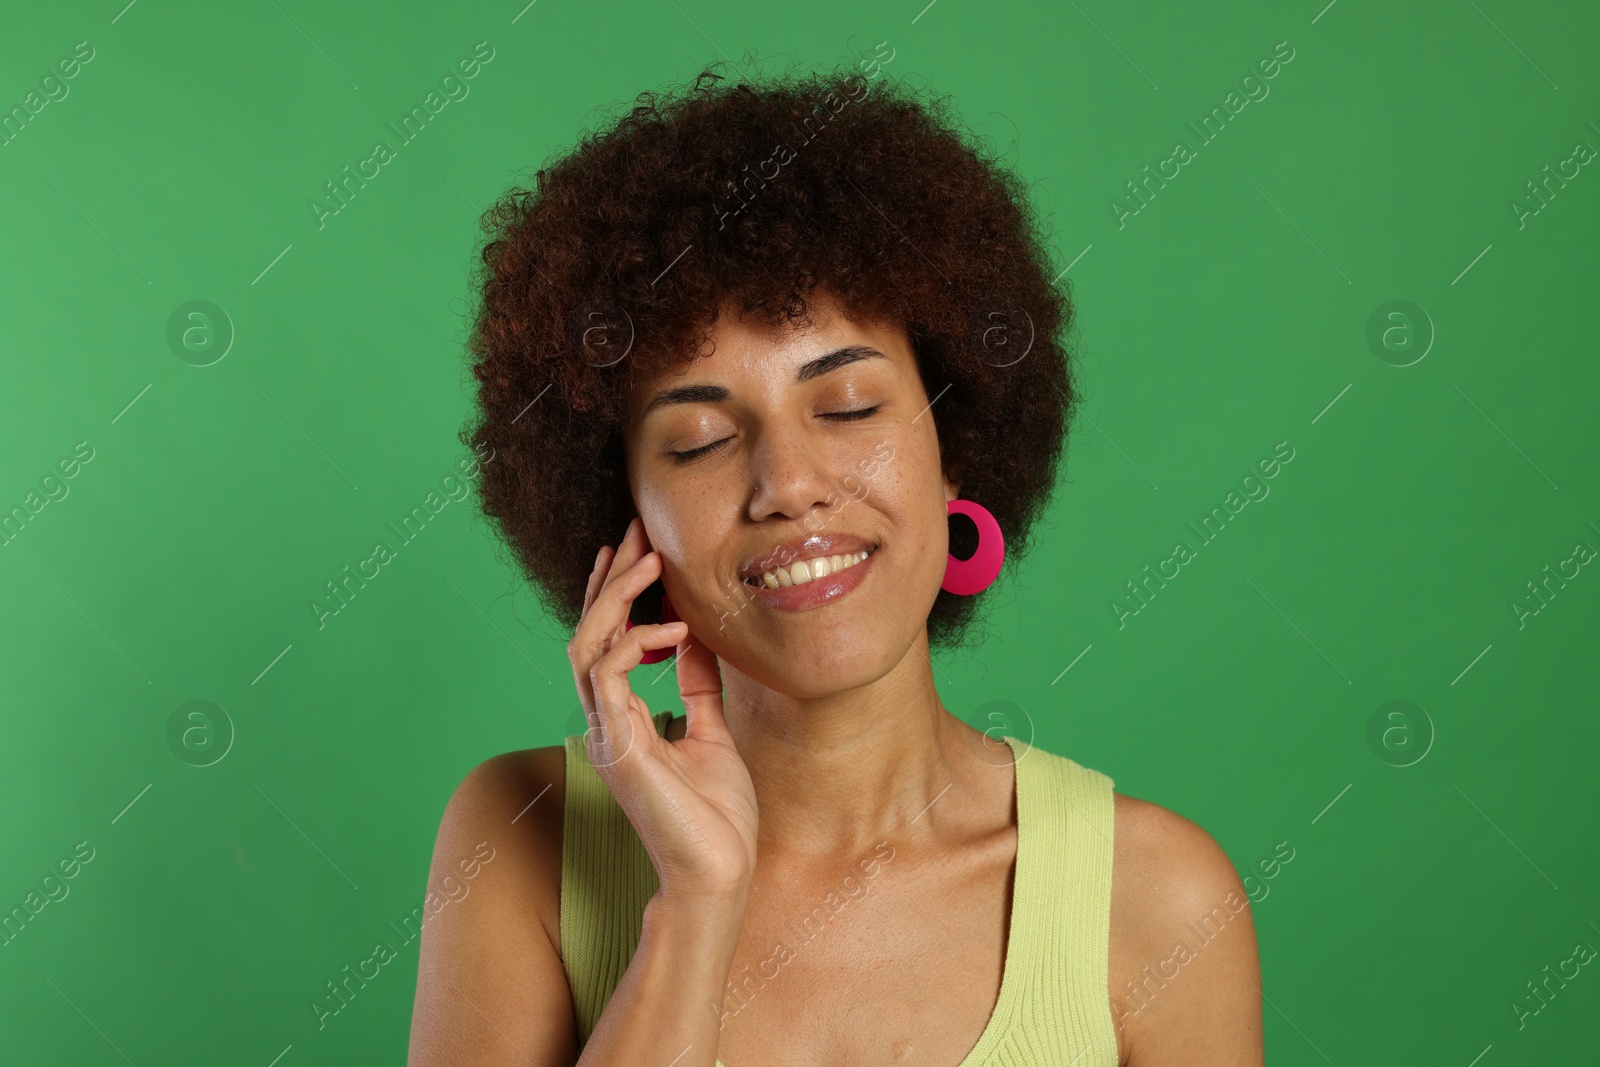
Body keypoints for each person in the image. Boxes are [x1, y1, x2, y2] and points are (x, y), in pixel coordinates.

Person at [408, 59, 1262, 1067]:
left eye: (849, 407)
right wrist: (695, 904)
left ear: (959, 457)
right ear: (623, 518)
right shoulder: (520, 838)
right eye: (696, 440)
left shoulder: (1157, 898)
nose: (791, 482)